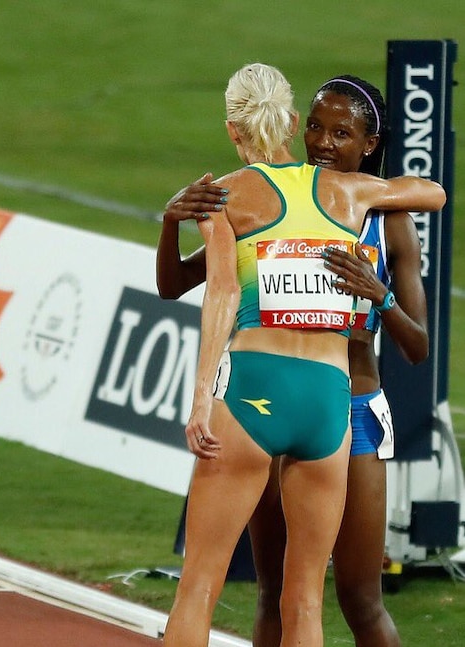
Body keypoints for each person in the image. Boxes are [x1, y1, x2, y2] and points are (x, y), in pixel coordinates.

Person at [159, 63, 445, 647]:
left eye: (341, 134)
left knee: (218, 591)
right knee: (296, 597)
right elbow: (434, 192)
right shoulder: (349, 194)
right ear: (294, 123)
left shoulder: (236, 195)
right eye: (315, 128)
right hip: (328, 404)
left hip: (308, 399)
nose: (323, 143)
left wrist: (378, 294)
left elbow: (219, 295)